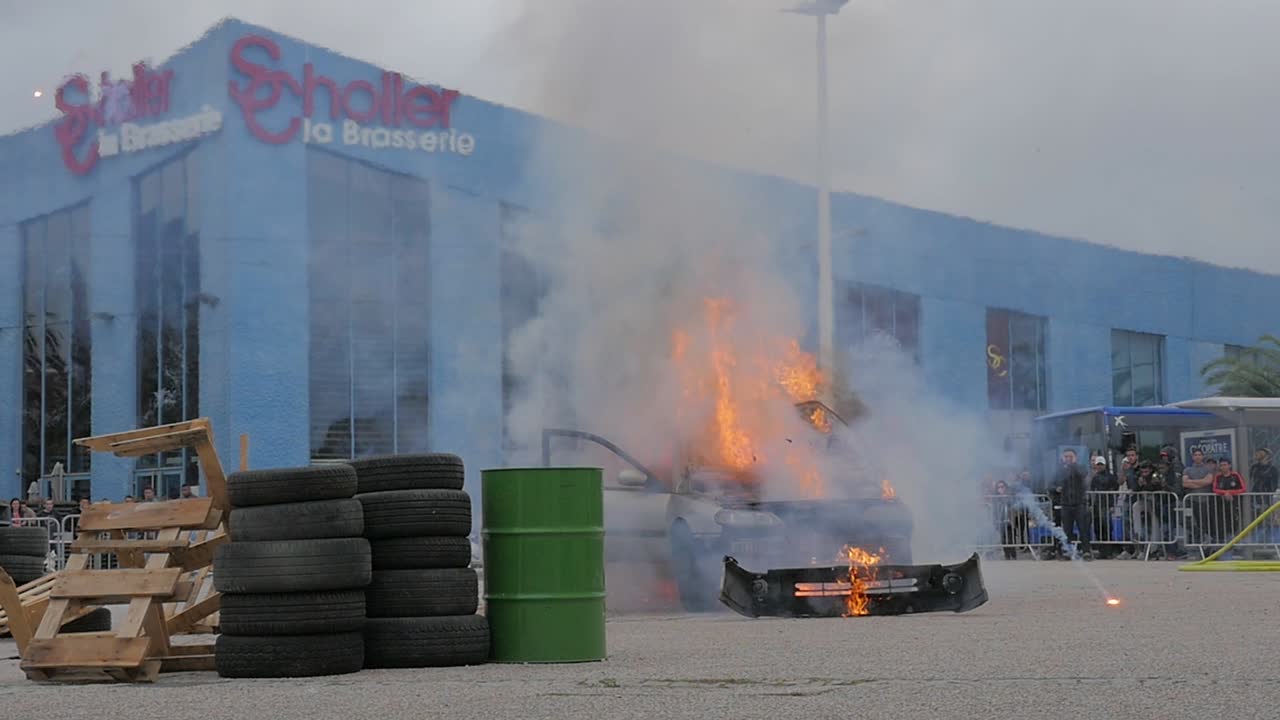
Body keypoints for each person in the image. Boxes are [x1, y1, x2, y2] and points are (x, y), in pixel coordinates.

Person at [1054, 449, 1093, 560]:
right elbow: (1050, 484)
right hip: (1066, 504)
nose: (1068, 459)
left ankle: (1086, 551)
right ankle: (1068, 551)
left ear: (1075, 457)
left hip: (1079, 503)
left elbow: (1083, 474)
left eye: (1070, 456)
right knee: (1067, 530)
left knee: (1083, 529)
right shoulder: (1060, 471)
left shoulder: (1081, 467)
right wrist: (1056, 488)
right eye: (1066, 456)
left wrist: (1074, 465)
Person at [1211, 458, 1247, 549]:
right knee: (1222, 523)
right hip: (1221, 504)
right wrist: (1225, 493)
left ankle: (1237, 544)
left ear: (1229, 465)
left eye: (1225, 465)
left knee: (1235, 523)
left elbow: (1243, 488)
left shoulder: (1235, 475)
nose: (1223, 467)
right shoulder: (1218, 477)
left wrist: (1230, 493)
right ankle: (1224, 544)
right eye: (1221, 465)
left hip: (1235, 504)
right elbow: (1214, 489)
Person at [1088, 457, 1119, 558]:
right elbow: (1092, 493)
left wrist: (1112, 505)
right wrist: (1091, 505)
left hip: (1106, 505)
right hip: (1097, 505)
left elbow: (1114, 491)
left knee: (1107, 527)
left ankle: (1109, 551)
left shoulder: (1111, 477)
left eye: (1101, 464)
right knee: (1098, 527)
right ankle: (1102, 551)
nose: (1100, 466)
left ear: (1105, 465)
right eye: (1098, 464)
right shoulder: (1094, 477)